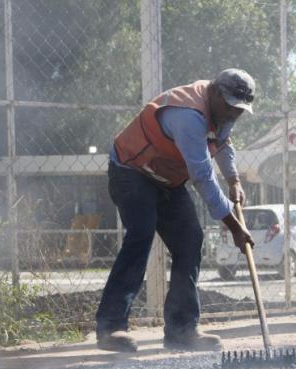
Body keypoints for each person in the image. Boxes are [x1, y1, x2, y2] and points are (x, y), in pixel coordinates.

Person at [95, 69, 256, 353]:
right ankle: (111, 326)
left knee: (190, 240)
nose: (234, 115)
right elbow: (203, 178)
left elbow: (221, 144)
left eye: (240, 111)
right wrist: (234, 226)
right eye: (231, 107)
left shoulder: (223, 113)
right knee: (141, 235)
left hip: (166, 178)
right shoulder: (188, 115)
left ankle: (182, 330)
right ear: (216, 93)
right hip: (132, 170)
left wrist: (235, 181)